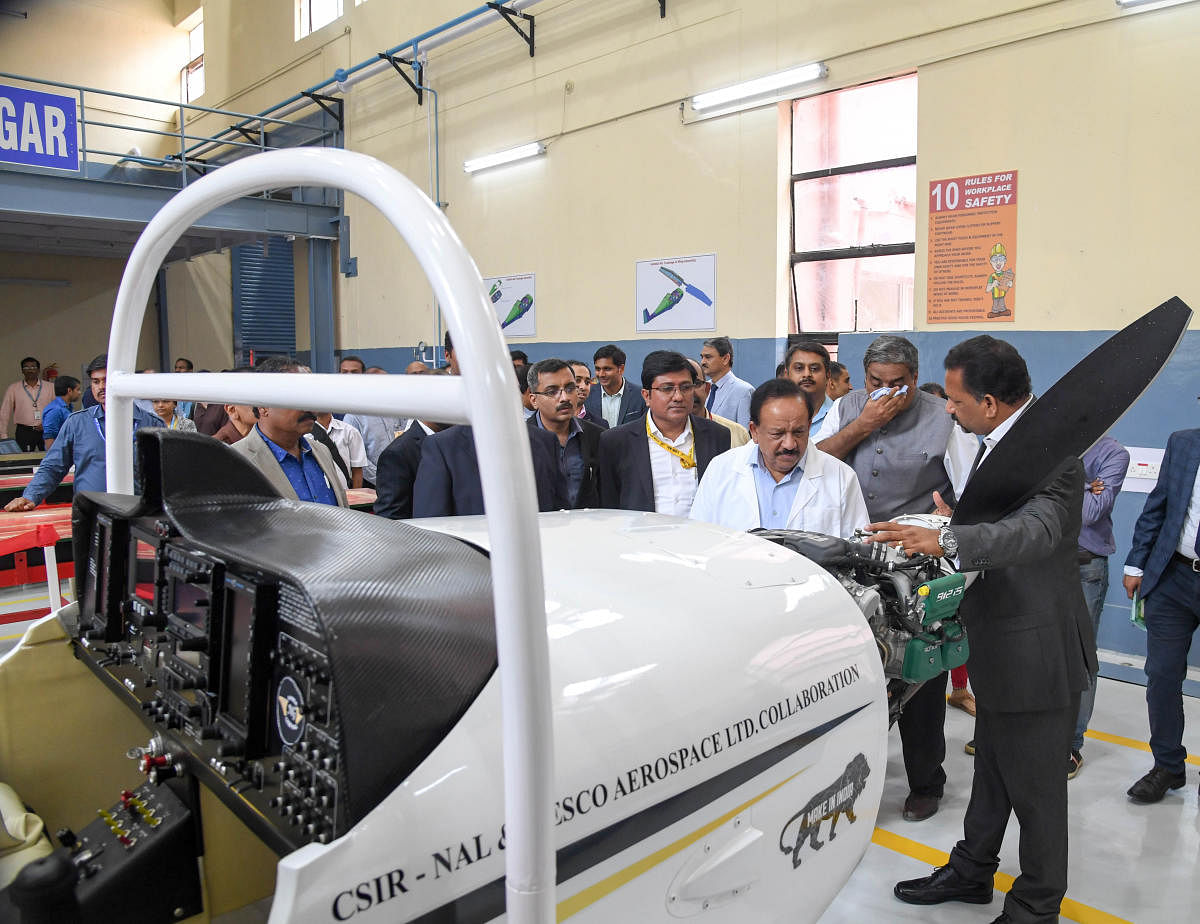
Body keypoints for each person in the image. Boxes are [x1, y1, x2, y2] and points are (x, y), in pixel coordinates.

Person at [880, 335, 1094, 924]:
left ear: (991, 402)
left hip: (1037, 649)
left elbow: (1039, 533)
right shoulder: (995, 444)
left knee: (1038, 793)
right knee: (993, 774)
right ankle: (973, 870)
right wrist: (958, 520)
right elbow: (1002, 520)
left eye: (955, 399)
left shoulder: (1053, 454)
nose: (947, 409)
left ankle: (1035, 906)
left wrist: (949, 537)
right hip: (1000, 643)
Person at [818, 334, 977, 822]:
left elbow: (972, 489)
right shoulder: (846, 408)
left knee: (921, 677)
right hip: (852, 564)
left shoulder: (942, 416)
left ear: (915, 376)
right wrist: (863, 424)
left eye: (899, 384)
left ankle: (927, 781)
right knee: (855, 675)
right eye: (876, 384)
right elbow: (816, 463)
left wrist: (949, 524)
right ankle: (847, 778)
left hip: (917, 568)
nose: (887, 393)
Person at [1122, 426, 1200, 804]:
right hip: (1174, 576)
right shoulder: (1183, 442)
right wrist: (1136, 563)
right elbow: (1160, 504)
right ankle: (1168, 765)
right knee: (1162, 676)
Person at [690, 379, 867, 535]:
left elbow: (855, 550)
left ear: (809, 425)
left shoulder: (842, 477)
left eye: (799, 432)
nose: (790, 444)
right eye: (777, 434)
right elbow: (700, 539)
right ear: (754, 431)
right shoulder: (721, 469)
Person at [4, 355, 161, 511]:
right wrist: (30, 496)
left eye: (106, 380)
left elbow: (166, 475)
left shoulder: (152, 425)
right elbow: (53, 466)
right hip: (90, 516)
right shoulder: (77, 423)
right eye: (96, 381)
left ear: (125, 383)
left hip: (139, 517)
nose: (101, 386)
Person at [597, 350, 731, 515]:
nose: (678, 397)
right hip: (641, 537)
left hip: (702, 537)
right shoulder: (616, 441)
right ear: (647, 396)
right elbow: (609, 506)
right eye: (667, 389)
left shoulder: (717, 436)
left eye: (686, 387)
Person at [1069, 435, 1129, 779]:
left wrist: (1057, 487)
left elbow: (1091, 513)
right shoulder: (1054, 444)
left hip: (1085, 566)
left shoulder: (1113, 454)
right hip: (1044, 562)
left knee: (1081, 656)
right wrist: (1082, 486)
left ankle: (1072, 744)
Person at [230, 357, 347, 507]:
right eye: (297, 396)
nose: (309, 406)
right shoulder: (237, 460)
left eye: (312, 396)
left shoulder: (320, 452)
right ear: (263, 406)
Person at [527, 359, 603, 508]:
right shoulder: (519, 441)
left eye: (570, 388)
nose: (565, 398)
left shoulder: (597, 436)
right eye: (552, 391)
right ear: (534, 400)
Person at [687, 359, 749, 447]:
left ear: (707, 389)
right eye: (684, 387)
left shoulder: (737, 434)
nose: (691, 392)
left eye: (696, 383)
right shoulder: (661, 437)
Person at [585, 344, 646, 428]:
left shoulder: (640, 395)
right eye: (598, 369)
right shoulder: (587, 395)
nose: (601, 374)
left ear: (621, 369)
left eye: (607, 369)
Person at [699, 336, 753, 429]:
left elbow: (744, 434)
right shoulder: (703, 388)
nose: (702, 362)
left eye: (708, 357)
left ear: (725, 359)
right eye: (702, 357)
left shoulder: (743, 391)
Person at [783, 340, 834, 436]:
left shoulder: (839, 415)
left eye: (814, 369)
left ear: (828, 375)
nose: (807, 374)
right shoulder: (775, 414)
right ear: (787, 375)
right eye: (799, 368)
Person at [1, 357, 49, 451]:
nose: (30, 370)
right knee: (24, 461)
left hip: (47, 429)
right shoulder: (13, 388)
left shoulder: (50, 387)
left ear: (38, 370)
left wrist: (48, 424)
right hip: (24, 431)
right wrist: (3, 435)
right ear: (22, 371)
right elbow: (4, 412)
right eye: (26, 368)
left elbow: (58, 409)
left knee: (50, 459)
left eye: (33, 367)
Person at [41, 375, 81, 450]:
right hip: (59, 455)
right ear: (69, 391)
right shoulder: (55, 410)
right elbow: (49, 438)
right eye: (77, 389)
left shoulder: (68, 407)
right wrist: (55, 459)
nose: (79, 393)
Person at [567, 360, 607, 428]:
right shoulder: (548, 419)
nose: (583, 387)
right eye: (577, 380)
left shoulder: (601, 425)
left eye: (587, 382)